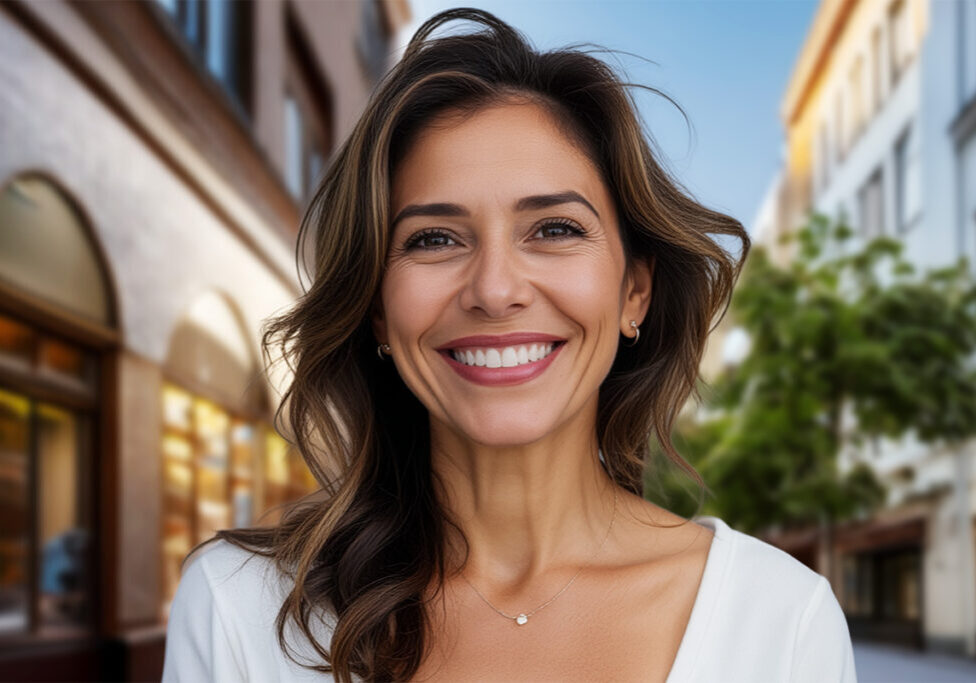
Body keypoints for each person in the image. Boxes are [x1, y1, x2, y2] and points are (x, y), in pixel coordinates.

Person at [162, 8, 857, 683]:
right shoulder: (237, 606)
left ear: (634, 291)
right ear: (376, 307)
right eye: (433, 238)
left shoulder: (782, 620)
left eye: (554, 228)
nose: (495, 290)